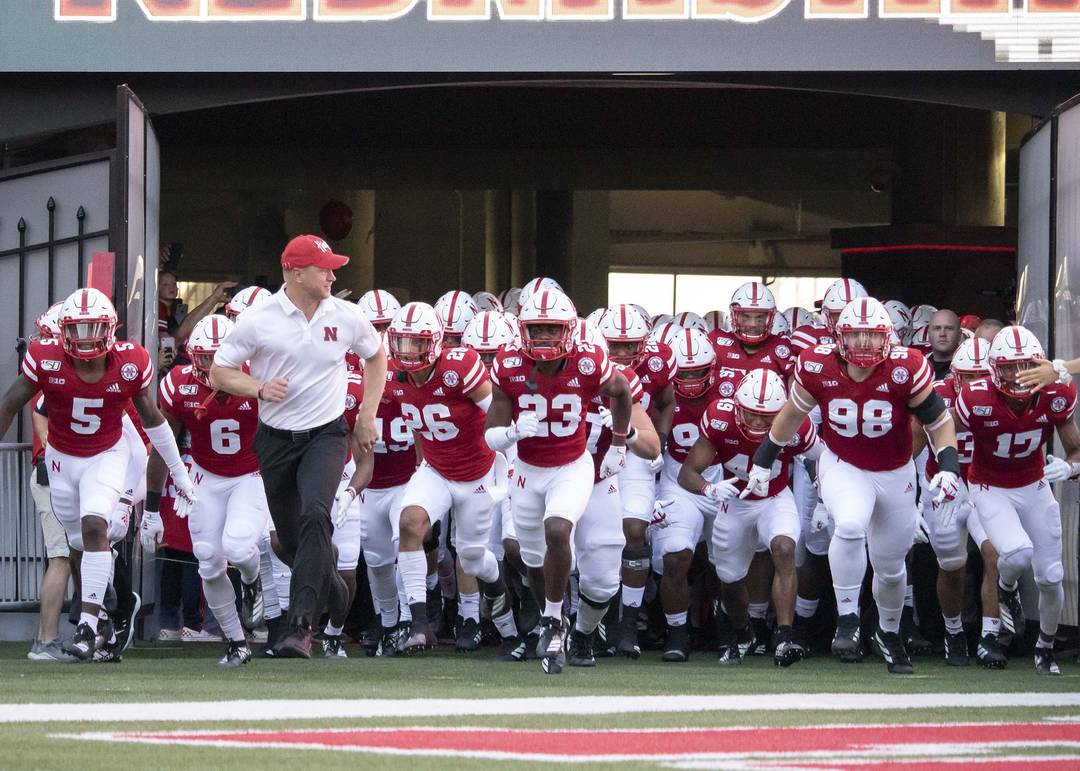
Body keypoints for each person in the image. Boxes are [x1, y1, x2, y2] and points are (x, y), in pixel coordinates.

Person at [744, 297, 962, 675]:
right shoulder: (817, 364)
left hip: (895, 472)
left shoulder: (905, 367)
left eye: (871, 335)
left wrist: (948, 467)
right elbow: (792, 414)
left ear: (888, 337)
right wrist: (763, 460)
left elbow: (938, 421)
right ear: (839, 336)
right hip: (843, 463)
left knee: (891, 567)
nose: (863, 343)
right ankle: (848, 621)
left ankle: (889, 633)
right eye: (856, 334)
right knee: (847, 525)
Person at [209, 234, 386, 658]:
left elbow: (376, 357)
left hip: (326, 435)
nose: (332, 274)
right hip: (275, 440)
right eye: (323, 267)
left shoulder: (346, 315)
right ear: (295, 272)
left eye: (331, 267)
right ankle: (336, 592)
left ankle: (300, 627)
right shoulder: (259, 319)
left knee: (316, 517)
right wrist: (258, 387)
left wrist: (366, 415)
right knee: (288, 541)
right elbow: (219, 371)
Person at [0, 287, 195, 661]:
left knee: (95, 526)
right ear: (64, 331)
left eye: (93, 328)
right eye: (77, 328)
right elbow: (10, 402)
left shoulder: (129, 362)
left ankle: (88, 627)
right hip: (62, 457)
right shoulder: (46, 358)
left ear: (110, 329)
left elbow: (154, 420)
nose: (85, 337)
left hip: (108, 452)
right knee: (76, 543)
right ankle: (103, 614)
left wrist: (178, 475)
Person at [488, 288, 633, 674]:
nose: (545, 337)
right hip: (529, 469)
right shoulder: (509, 363)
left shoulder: (590, 363)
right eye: (537, 329)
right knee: (532, 557)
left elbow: (623, 396)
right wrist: (512, 433)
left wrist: (621, 442)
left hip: (579, 468)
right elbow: (492, 433)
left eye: (553, 328)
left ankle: (564, 626)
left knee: (569, 542)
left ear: (572, 332)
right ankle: (556, 620)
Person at [386, 302, 519, 655]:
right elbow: (417, 424)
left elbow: (498, 413)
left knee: (473, 557)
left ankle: (489, 596)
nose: (407, 352)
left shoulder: (459, 366)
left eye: (416, 343)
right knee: (410, 523)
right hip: (436, 468)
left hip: (477, 472)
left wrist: (509, 454)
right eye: (401, 342)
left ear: (436, 341)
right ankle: (418, 624)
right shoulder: (391, 376)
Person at [142, 314, 267, 668]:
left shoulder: (257, 377)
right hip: (205, 477)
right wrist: (151, 509)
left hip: (250, 475)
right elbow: (163, 446)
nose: (211, 366)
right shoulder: (179, 384)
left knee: (240, 547)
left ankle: (252, 581)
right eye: (205, 357)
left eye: (218, 357)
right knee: (208, 560)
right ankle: (236, 642)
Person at [955, 325, 1080, 676]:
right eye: (1007, 366)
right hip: (989, 486)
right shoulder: (976, 397)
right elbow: (942, 430)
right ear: (994, 369)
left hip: (1033, 484)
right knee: (1017, 552)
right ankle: (1007, 588)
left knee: (1052, 576)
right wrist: (944, 472)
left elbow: (1075, 449)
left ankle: (1045, 646)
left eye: (1024, 365)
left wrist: (1070, 469)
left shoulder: (1056, 391)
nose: (1015, 374)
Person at [678, 368, 821, 668]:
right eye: (751, 413)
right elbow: (686, 473)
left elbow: (819, 459)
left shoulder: (797, 423)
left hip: (775, 498)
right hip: (736, 503)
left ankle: (784, 635)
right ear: (737, 405)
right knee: (729, 578)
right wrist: (709, 488)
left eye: (767, 417)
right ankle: (744, 633)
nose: (757, 422)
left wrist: (822, 497)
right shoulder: (720, 419)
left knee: (784, 548)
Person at [910, 335, 1007, 668]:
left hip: (985, 484)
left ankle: (989, 635)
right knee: (953, 568)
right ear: (954, 374)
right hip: (945, 488)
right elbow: (911, 449)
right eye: (967, 376)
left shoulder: (1006, 395)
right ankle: (954, 633)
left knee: (995, 554)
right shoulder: (935, 396)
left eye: (982, 377)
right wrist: (911, 498)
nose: (974, 385)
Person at [599, 305, 675, 658]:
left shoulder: (655, 364)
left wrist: (656, 439)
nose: (624, 353)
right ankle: (588, 617)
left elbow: (665, 401)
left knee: (633, 529)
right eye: (615, 345)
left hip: (632, 448)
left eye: (631, 346)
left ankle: (629, 620)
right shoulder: (584, 361)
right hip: (588, 452)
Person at [928, 309, 963, 380]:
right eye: (937, 328)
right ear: (929, 335)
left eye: (949, 328)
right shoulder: (918, 367)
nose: (942, 334)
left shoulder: (968, 369)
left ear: (959, 335)